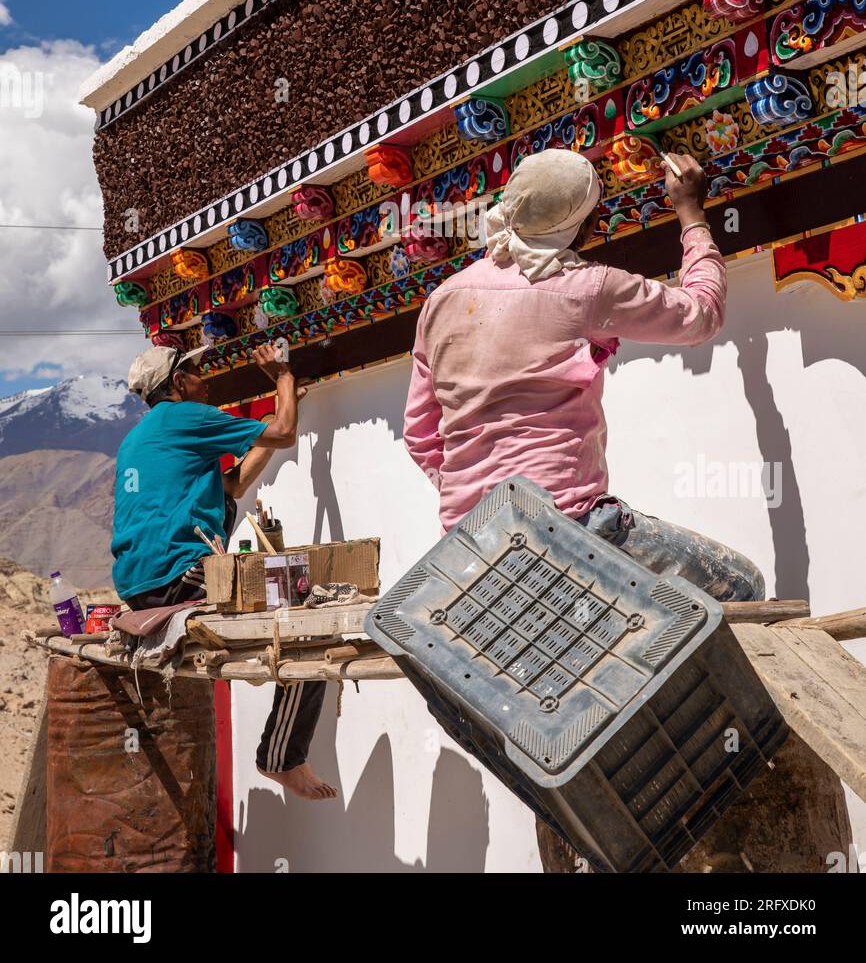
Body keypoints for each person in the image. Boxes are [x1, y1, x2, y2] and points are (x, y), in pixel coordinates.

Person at [403, 147, 764, 602]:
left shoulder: (442, 300)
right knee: (742, 586)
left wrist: (479, 497)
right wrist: (690, 213)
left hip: (468, 538)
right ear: (587, 226)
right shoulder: (589, 287)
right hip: (569, 525)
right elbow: (701, 315)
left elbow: (419, 435)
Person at [113, 339, 337, 801]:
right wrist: (282, 378)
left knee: (234, 516)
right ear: (178, 381)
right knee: (306, 614)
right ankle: (284, 757)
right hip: (178, 577)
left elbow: (233, 483)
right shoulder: (185, 417)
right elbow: (284, 434)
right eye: (196, 370)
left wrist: (283, 406)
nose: (206, 378)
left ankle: (284, 755)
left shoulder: (139, 438)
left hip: (140, 586)